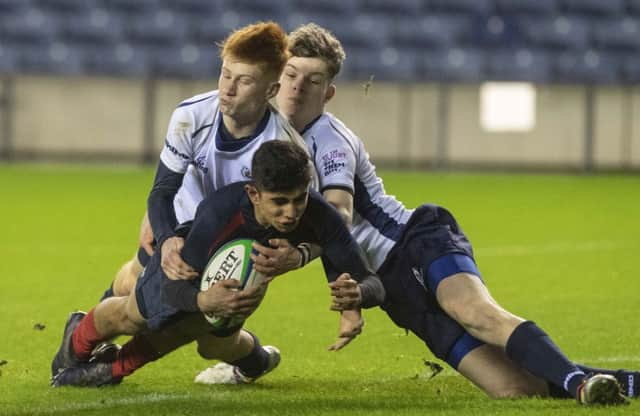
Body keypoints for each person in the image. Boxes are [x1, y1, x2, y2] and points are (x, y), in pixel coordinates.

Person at [197, 23, 636, 406]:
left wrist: (301, 256)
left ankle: (578, 384)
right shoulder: (270, 141)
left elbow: (338, 212)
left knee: (475, 312)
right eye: (291, 74)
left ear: (328, 92)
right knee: (511, 388)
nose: (297, 87)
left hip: (414, 242)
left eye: (313, 80)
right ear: (277, 79)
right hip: (389, 286)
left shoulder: (329, 141)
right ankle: (616, 383)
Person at [51, 140, 384, 387]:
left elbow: (371, 281)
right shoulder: (219, 214)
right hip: (186, 268)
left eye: (298, 199)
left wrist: (358, 296)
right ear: (254, 194)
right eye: (279, 202)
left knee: (212, 343)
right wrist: (202, 300)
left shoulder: (318, 214)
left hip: (238, 278)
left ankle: (258, 361)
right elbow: (174, 287)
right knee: (135, 317)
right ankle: (73, 350)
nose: (292, 212)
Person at [105, 20, 315, 300]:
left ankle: (251, 347)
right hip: (181, 222)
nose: (228, 89)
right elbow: (163, 190)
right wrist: (165, 235)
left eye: (244, 81)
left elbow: (313, 219)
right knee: (133, 285)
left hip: (238, 243)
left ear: (270, 91)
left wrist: (296, 256)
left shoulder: (284, 147)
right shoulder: (190, 117)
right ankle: (85, 330)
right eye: (226, 75)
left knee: (210, 334)